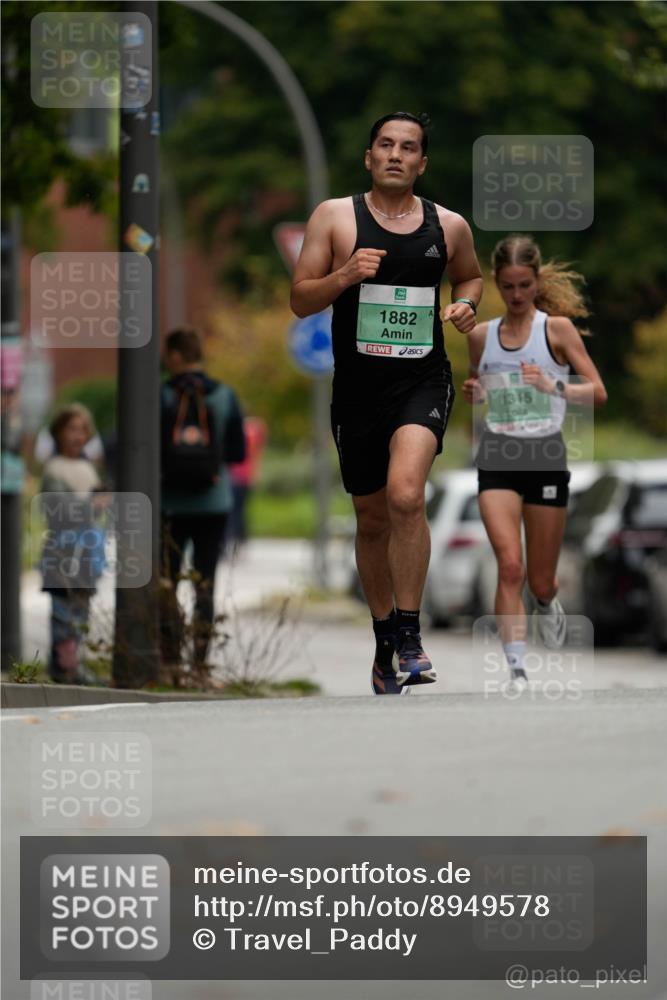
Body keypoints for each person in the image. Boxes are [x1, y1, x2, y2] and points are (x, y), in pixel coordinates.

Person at [291, 111, 483, 695]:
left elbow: (470, 279)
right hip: (357, 389)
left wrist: (464, 305)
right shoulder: (334, 217)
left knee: (406, 494)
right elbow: (300, 299)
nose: (396, 154)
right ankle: (383, 639)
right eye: (385, 145)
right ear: (369, 157)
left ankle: (410, 634)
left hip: (421, 380)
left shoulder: (448, 226)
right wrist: (345, 275)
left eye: (409, 147)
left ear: (423, 163)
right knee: (371, 517)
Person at [462, 234, 607, 691]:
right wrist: (476, 392)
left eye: (524, 285)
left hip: (545, 454)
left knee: (541, 579)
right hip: (498, 456)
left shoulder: (556, 330)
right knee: (510, 565)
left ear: (536, 280)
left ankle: (546, 602)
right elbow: (477, 386)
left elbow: (598, 392)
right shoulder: (482, 336)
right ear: (497, 284)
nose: (517, 295)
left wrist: (553, 387)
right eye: (507, 286)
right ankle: (518, 669)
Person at [160, 327, 245, 685]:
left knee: (166, 582)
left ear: (177, 356)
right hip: (215, 502)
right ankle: (199, 665)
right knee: (205, 586)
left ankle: (169, 663)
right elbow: (238, 453)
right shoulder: (224, 396)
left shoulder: (162, 395)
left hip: (170, 503)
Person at [40, 403, 107, 685]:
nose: (77, 435)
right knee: (64, 610)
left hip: (87, 549)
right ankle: (64, 665)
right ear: (59, 432)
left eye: (82, 429)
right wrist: (91, 505)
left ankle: (73, 661)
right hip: (64, 550)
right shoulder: (55, 469)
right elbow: (57, 510)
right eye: (71, 428)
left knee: (81, 609)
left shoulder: (86, 467)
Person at [224, 415, 268, 557]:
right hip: (244, 477)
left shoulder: (244, 431)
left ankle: (233, 541)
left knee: (234, 512)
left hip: (235, 476)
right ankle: (238, 540)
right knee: (239, 511)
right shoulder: (254, 430)